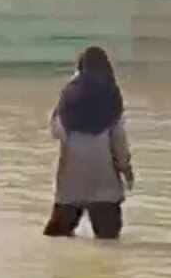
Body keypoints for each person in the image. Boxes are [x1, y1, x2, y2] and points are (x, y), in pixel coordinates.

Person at [43, 46, 135, 240]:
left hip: (71, 184)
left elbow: (55, 131)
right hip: (104, 185)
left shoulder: (68, 98)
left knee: (56, 238)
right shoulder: (111, 98)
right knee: (108, 243)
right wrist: (126, 169)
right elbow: (119, 142)